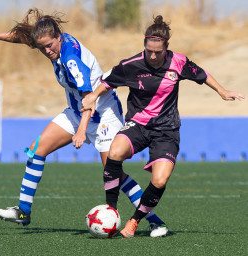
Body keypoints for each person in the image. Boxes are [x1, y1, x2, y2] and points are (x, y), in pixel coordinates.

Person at [0, 9, 169, 237]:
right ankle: (23, 211)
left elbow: (88, 97)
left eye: (50, 45)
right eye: (42, 47)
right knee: (36, 150)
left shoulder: (71, 58)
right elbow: (21, 37)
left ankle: (155, 221)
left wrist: (82, 130)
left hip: (102, 115)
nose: (47, 50)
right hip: (75, 112)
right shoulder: (49, 42)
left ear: (59, 37)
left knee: (112, 173)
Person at [81, 15, 245, 238]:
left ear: (166, 47)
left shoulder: (178, 62)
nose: (153, 55)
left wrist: (223, 91)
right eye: (149, 50)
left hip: (167, 131)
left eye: (158, 51)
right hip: (137, 125)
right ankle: (111, 209)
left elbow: (203, 75)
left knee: (159, 180)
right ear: (145, 47)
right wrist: (93, 97)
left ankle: (135, 221)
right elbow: (107, 81)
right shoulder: (131, 65)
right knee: (115, 152)